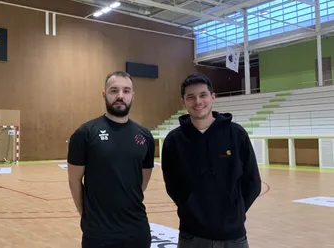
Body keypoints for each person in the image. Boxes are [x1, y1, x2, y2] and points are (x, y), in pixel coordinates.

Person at [161, 73, 262, 248]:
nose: (198, 102)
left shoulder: (236, 134)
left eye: (203, 95)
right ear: (183, 102)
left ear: (213, 97)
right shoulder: (174, 140)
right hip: (192, 236)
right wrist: (191, 210)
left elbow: (252, 183)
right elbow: (173, 186)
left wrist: (234, 213)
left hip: (233, 236)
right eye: (190, 97)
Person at [67, 71, 155, 248]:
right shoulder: (85, 133)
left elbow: (142, 183)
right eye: (114, 90)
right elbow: (74, 180)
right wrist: (86, 215)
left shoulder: (145, 136)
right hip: (98, 232)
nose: (120, 96)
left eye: (126, 91)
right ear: (104, 93)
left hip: (137, 230)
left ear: (133, 96)